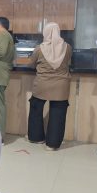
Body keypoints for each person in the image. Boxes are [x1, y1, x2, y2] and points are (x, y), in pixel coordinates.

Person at [27, 22, 73, 150]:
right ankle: (52, 144)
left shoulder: (39, 48)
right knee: (58, 112)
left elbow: (31, 64)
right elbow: (68, 62)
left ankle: (36, 138)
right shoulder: (67, 47)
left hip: (42, 84)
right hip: (61, 85)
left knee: (36, 107)